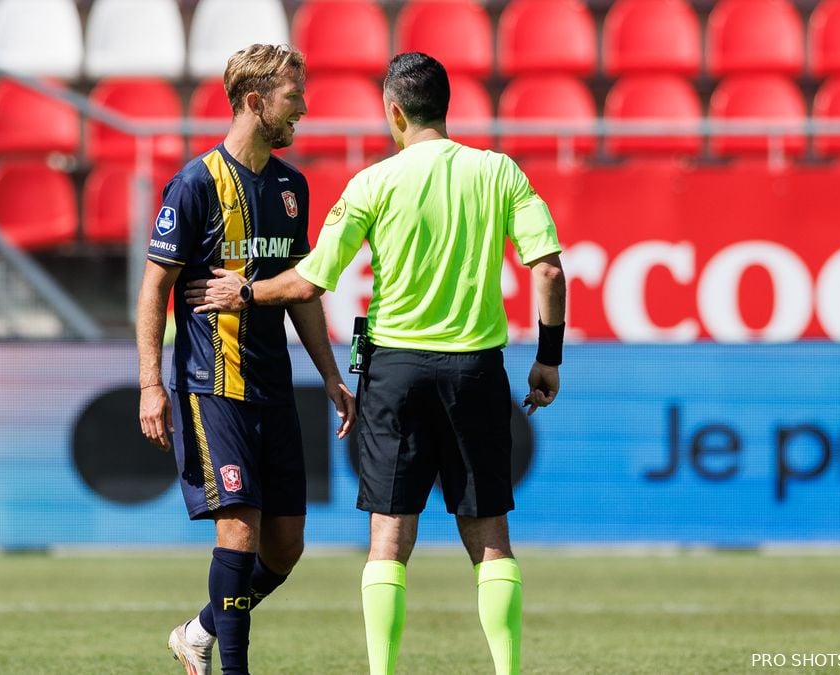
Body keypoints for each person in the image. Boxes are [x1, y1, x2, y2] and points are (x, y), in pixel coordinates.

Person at [187, 52, 567, 675]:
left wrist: (246, 290)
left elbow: (311, 281)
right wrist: (547, 359)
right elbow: (547, 269)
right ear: (446, 108)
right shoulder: (498, 172)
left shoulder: (372, 182)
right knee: (491, 538)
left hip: (395, 372)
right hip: (474, 368)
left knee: (389, 538)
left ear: (394, 111)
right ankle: (507, 670)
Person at [135, 44, 356, 675]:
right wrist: (152, 385)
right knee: (238, 532)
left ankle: (200, 630)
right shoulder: (196, 184)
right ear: (255, 101)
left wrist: (331, 375)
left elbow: (300, 289)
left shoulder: (292, 187)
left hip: (274, 387)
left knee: (286, 547)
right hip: (212, 385)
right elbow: (154, 288)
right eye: (294, 97)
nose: (305, 109)